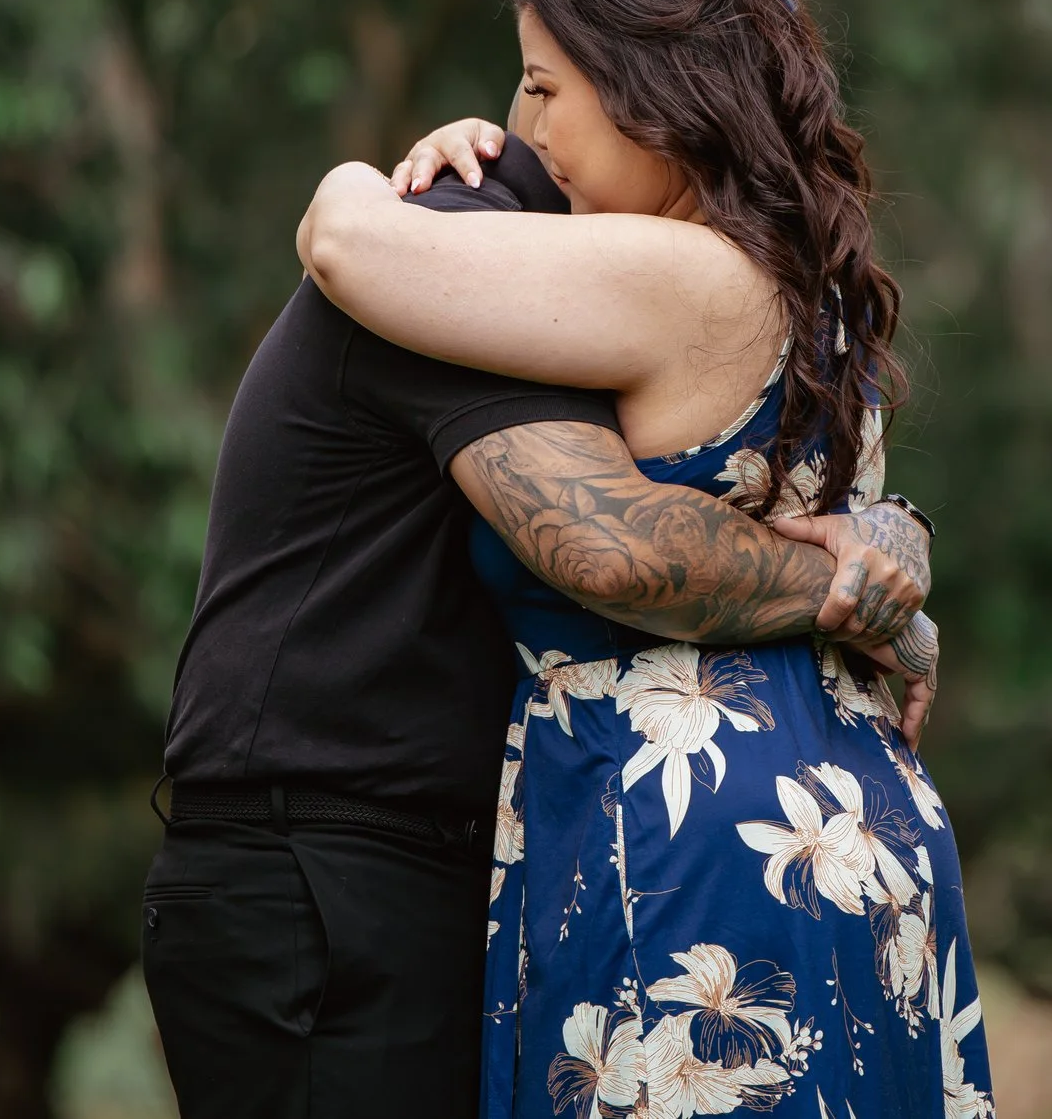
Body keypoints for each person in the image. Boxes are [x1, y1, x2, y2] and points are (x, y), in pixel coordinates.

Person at [299, 0, 996, 1118]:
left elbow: (346, 249)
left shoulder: (668, 270)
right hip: (847, 819)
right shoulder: (797, 283)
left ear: (652, 84)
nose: (525, 121)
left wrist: (370, 174)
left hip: (683, 839)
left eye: (547, 86)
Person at [145, 126, 935, 1119]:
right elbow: (619, 550)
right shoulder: (450, 262)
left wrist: (889, 534)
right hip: (321, 865)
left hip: (442, 868)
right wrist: (858, 601)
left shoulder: (621, 288)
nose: (522, 123)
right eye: (527, 81)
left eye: (548, 85)